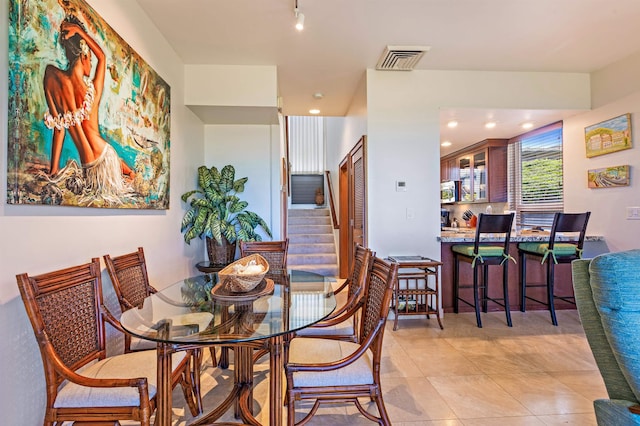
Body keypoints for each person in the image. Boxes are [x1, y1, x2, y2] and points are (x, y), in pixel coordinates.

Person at [43, 14, 134, 203]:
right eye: (89, 59)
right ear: (84, 54)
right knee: (130, 179)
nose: (91, 63)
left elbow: (59, 130)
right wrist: (80, 32)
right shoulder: (93, 88)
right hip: (105, 156)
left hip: (88, 167)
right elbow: (102, 56)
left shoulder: (51, 77)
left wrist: (54, 171)